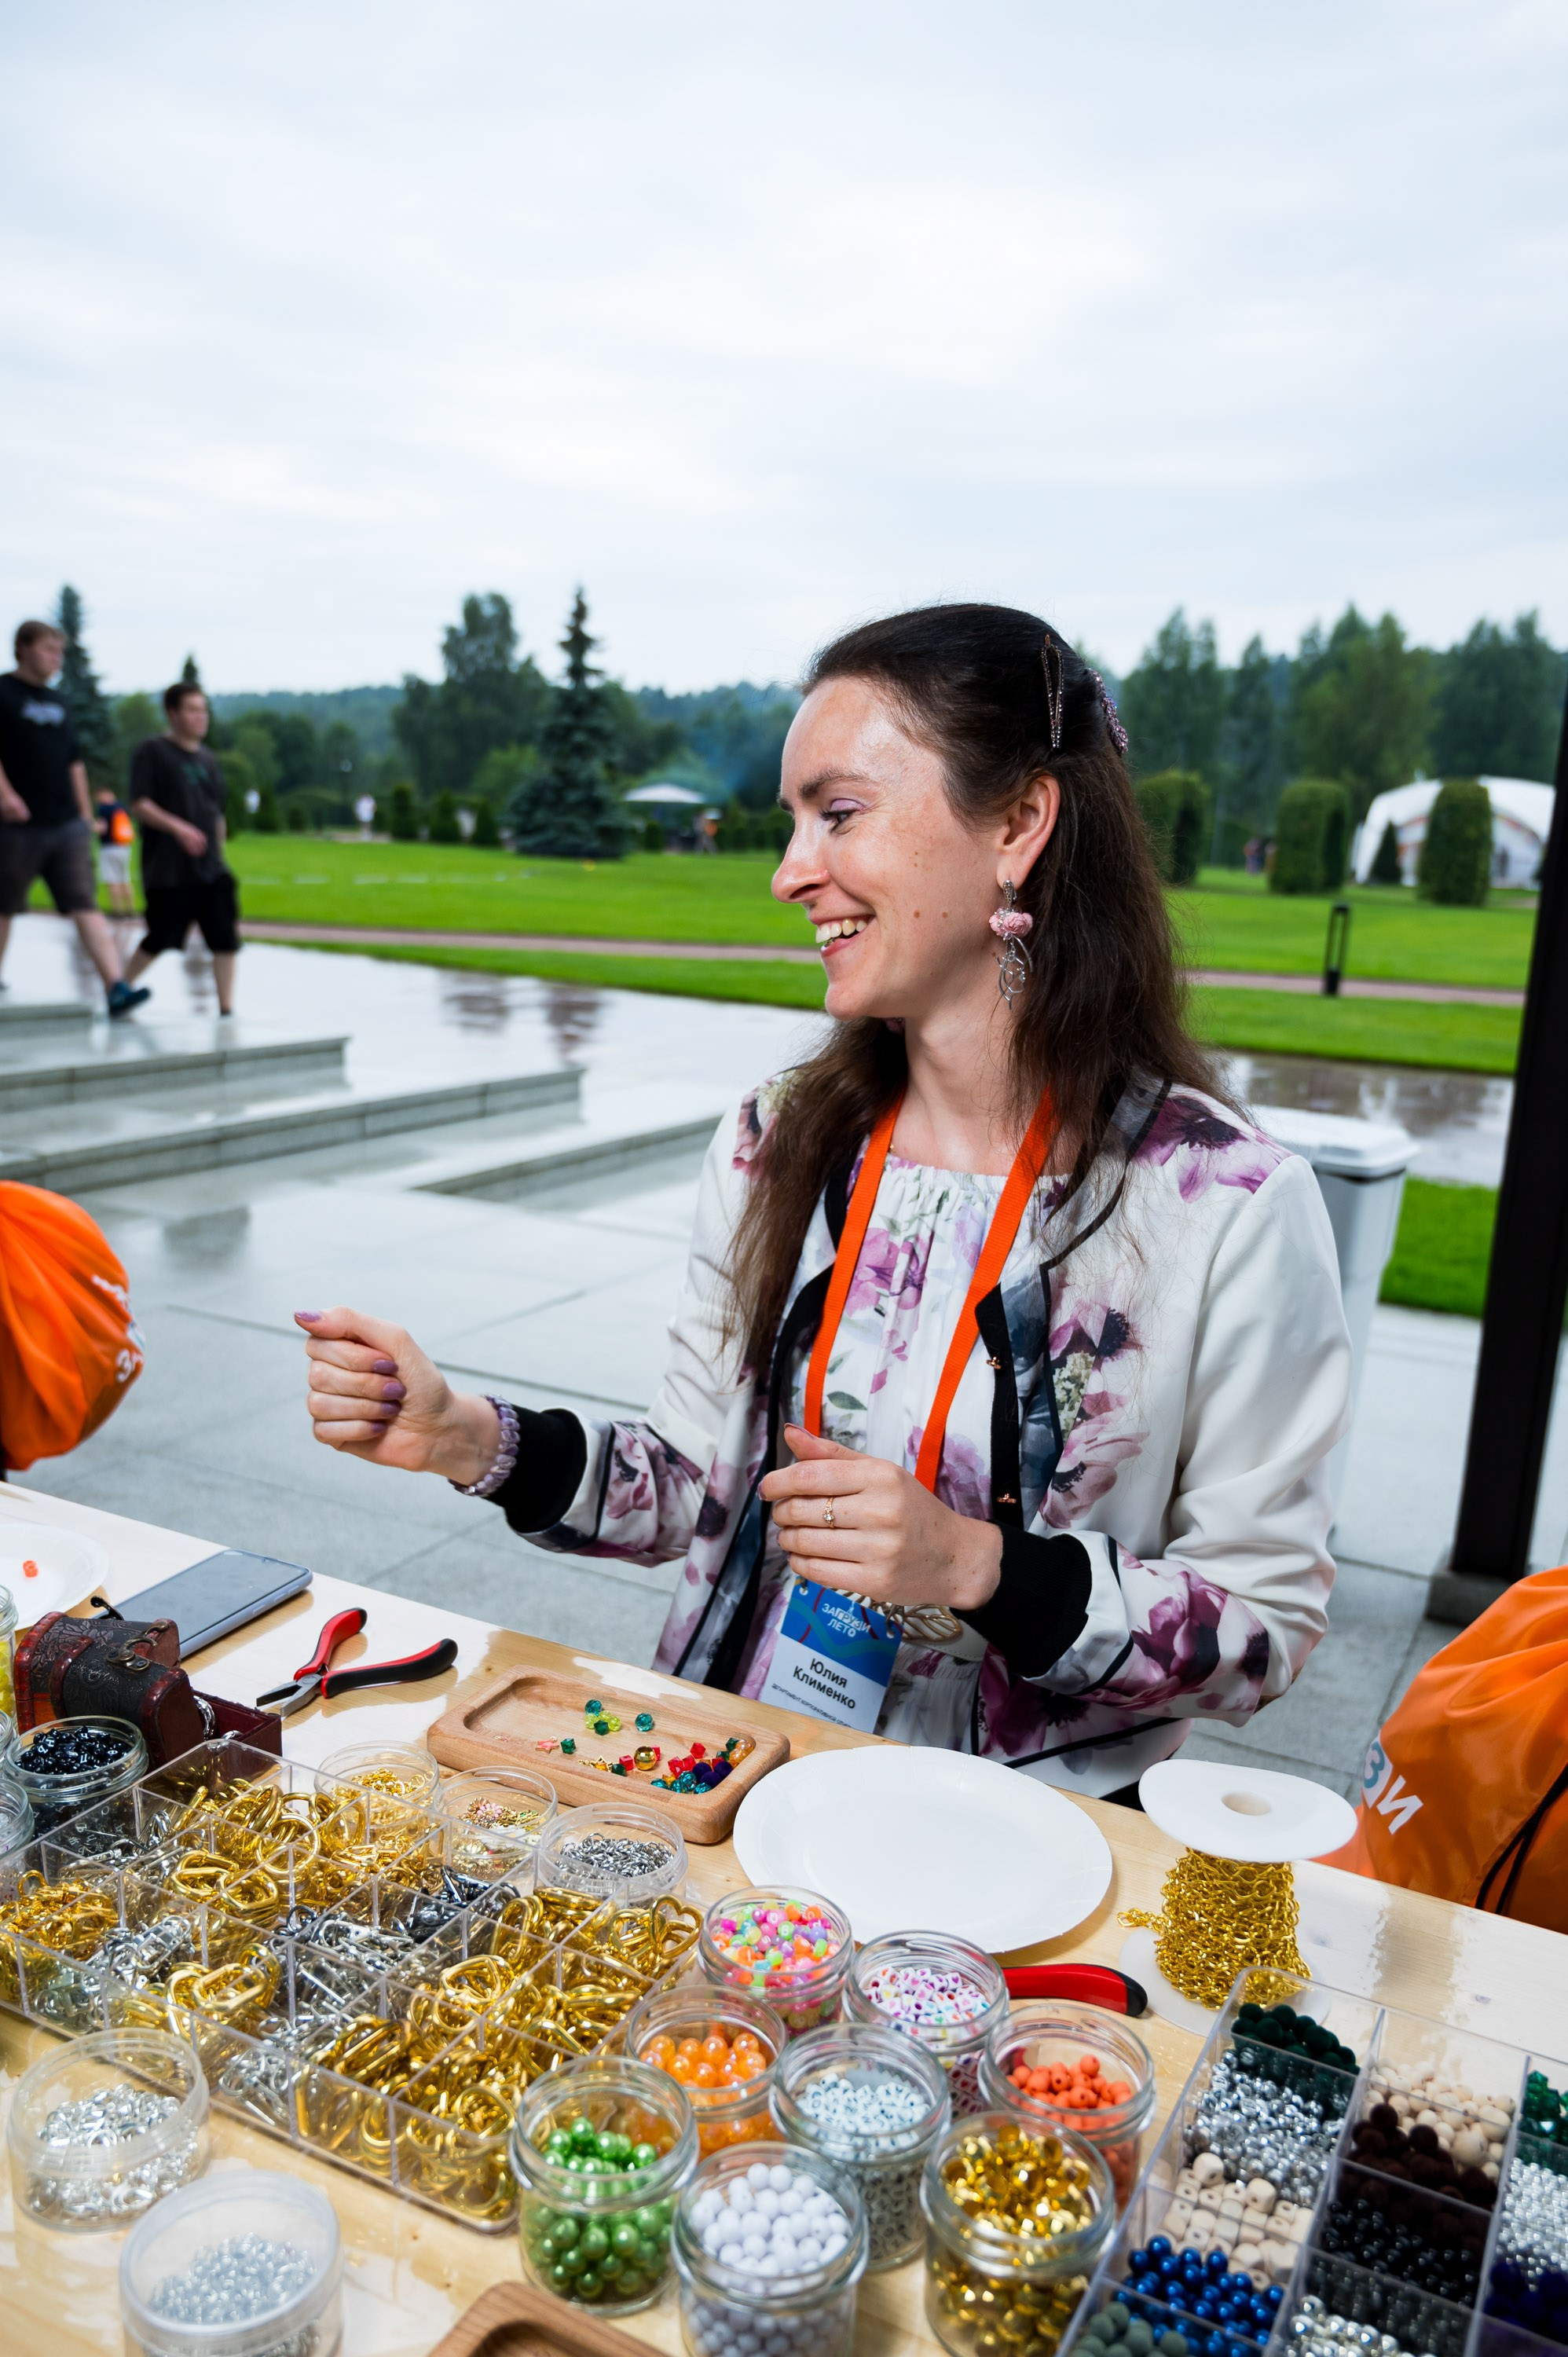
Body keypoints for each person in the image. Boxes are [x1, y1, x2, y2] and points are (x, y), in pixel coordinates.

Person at [297, 604, 1351, 1798]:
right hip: (733, 1796)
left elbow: (1261, 1632)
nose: (790, 872)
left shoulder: (1224, 1203)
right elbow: (694, 1487)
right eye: (793, 822)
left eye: (839, 814)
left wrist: (977, 1567)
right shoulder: (773, 1139)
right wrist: (466, 1437)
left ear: (1018, 824)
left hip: (1021, 1845)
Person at [0, 620, 152, 1014]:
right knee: (4, 904)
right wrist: (6, 796)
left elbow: (74, 762)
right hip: (16, 825)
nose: (56, 658)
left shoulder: (61, 702)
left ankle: (116, 987)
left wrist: (85, 814)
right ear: (23, 648)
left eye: (60, 651)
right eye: (48, 649)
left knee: (85, 902)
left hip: (65, 824)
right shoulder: (3, 692)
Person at [125, 682, 240, 1016]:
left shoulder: (208, 759)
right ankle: (120, 989)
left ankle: (227, 1008)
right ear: (172, 713)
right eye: (192, 710)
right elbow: (140, 803)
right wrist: (178, 828)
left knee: (224, 937)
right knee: (160, 936)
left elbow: (216, 813)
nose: (200, 717)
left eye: (203, 710)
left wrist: (218, 853)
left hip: (211, 868)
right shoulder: (153, 751)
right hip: (170, 869)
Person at [94, 785, 136, 917]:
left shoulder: (104, 809)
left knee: (112, 880)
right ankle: (131, 910)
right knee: (125, 879)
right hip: (124, 847)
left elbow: (102, 828)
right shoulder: (121, 807)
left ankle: (118, 911)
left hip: (109, 847)